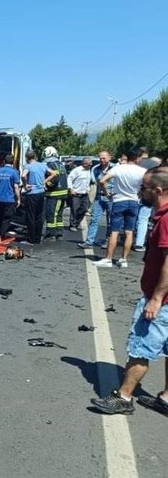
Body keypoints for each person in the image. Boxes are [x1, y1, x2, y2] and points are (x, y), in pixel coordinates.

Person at [90, 166, 168, 415]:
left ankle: (124, 396)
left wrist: (156, 298)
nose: (139, 191)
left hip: (162, 300)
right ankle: (166, 398)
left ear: (157, 190)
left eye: (143, 187)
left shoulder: (166, 219)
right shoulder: (161, 215)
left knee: (140, 347)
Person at [93, 147, 147, 268]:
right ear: (137, 157)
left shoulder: (118, 168)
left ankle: (108, 259)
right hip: (133, 202)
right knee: (129, 232)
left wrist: (106, 193)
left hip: (119, 200)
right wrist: (139, 194)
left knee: (114, 231)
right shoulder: (143, 171)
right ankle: (123, 260)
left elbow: (102, 181)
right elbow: (146, 185)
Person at [78, 151, 115, 249]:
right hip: (99, 197)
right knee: (94, 219)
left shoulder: (115, 168)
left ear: (109, 158)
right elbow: (95, 182)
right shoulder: (95, 169)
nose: (102, 160)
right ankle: (89, 242)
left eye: (104, 158)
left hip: (112, 198)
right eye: (100, 158)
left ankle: (108, 241)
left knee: (111, 220)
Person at [21, 150, 49, 244]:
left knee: (30, 216)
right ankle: (38, 238)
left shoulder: (28, 166)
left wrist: (25, 185)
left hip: (32, 193)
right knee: (39, 216)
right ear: (35, 156)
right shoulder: (42, 165)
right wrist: (44, 182)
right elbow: (53, 173)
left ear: (27, 158)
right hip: (41, 192)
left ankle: (31, 239)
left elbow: (23, 175)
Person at [134, 147, 159, 252]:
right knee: (143, 219)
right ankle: (139, 243)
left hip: (134, 193)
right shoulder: (155, 164)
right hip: (148, 194)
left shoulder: (136, 163)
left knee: (134, 217)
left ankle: (132, 237)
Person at [0, 153, 21, 236]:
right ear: (13, 162)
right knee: (6, 218)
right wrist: (18, 199)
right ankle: (1, 235)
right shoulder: (14, 172)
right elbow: (16, 187)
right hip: (9, 199)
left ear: (4, 161)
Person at [42, 146, 67, 241]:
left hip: (54, 194)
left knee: (51, 214)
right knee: (58, 214)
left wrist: (47, 185)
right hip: (62, 193)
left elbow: (55, 178)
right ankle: (59, 232)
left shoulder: (50, 164)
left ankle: (51, 234)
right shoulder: (59, 164)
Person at [66, 157, 93, 231]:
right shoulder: (77, 170)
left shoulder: (89, 170)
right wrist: (71, 189)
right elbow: (69, 178)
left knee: (83, 209)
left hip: (84, 193)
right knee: (75, 209)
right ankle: (73, 225)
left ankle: (77, 222)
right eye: (90, 163)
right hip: (76, 193)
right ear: (85, 163)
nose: (91, 165)